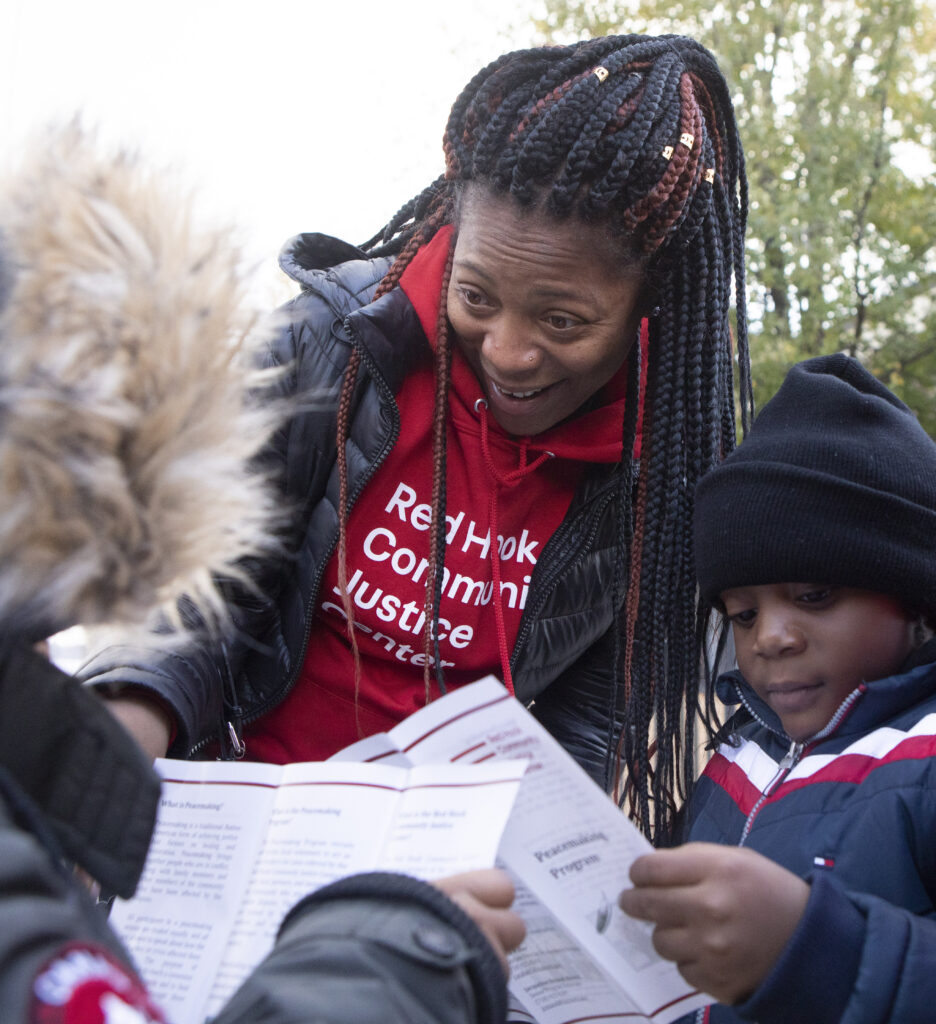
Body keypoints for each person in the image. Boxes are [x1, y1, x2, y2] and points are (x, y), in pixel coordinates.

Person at [86, 34, 752, 840]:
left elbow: (593, 716)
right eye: (477, 296)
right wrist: (132, 708)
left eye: (563, 320)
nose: (508, 351)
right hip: (233, 805)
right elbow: (199, 587)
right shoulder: (331, 347)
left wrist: (542, 855)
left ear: (650, 308)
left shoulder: (665, 460)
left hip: (441, 861)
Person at [0, 127, 523, 1024]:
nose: (513, 351)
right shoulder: (344, 339)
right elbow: (212, 603)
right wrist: (391, 948)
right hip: (267, 854)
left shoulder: (647, 465)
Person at [619, 353, 936, 1023]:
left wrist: (818, 951)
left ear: (917, 601)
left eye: (815, 595)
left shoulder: (924, 757)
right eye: (743, 613)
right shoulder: (743, 749)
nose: (770, 638)